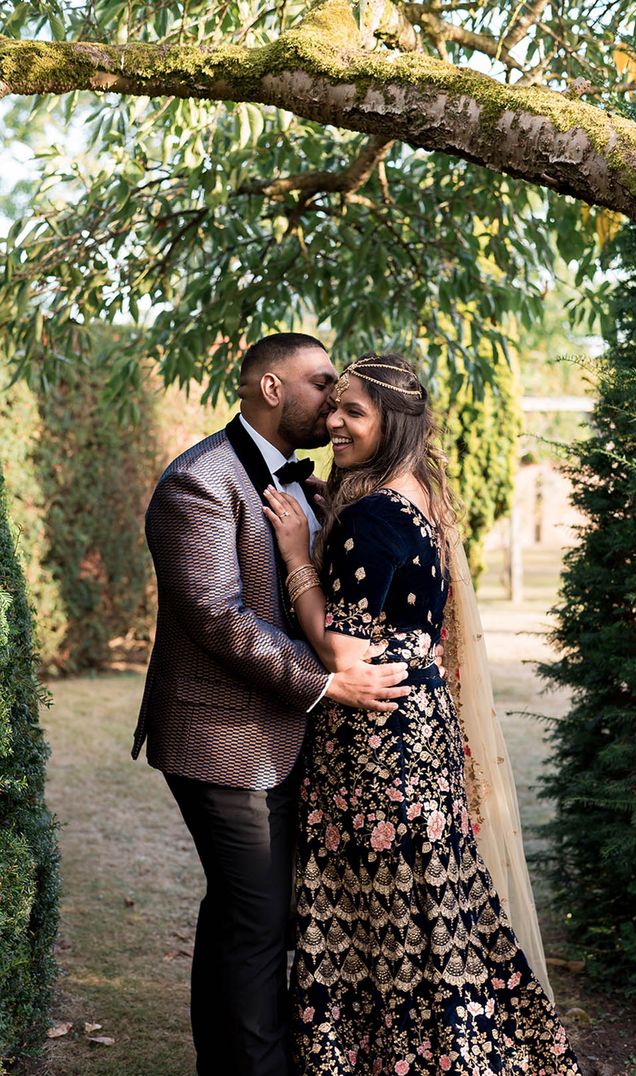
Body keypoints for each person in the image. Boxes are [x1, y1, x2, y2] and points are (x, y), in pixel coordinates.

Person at [264, 353, 582, 1074]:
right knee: (432, 902)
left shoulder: (371, 515)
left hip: (374, 741)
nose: (334, 424)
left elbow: (342, 653)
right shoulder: (418, 495)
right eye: (334, 405)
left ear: (393, 423)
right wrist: (327, 520)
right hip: (421, 726)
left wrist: (296, 554)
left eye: (354, 412)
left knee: (380, 910)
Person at [131, 334, 411, 1076]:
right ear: (271, 390)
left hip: (283, 735)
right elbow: (219, 617)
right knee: (260, 920)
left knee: (242, 916)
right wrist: (327, 685)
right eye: (322, 383)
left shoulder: (313, 486)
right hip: (220, 737)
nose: (333, 400)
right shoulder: (200, 481)